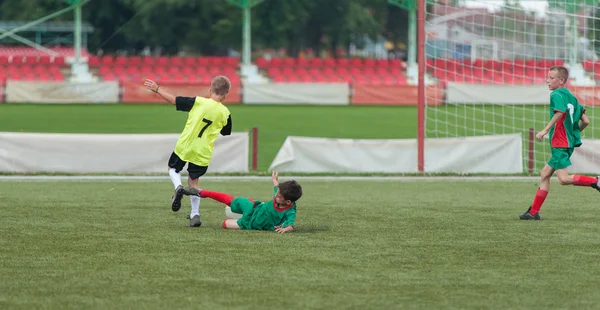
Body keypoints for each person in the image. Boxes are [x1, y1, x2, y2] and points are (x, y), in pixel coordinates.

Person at [143, 76, 233, 227]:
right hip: (203, 152)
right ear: (226, 94)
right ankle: (195, 214)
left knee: (172, 168)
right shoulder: (225, 113)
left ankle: (178, 186)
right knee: (194, 181)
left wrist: (157, 89)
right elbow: (226, 132)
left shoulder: (198, 102)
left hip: (185, 146)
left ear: (210, 90)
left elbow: (174, 100)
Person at [520, 66, 599, 220]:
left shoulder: (556, 94)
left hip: (559, 143)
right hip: (567, 143)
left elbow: (560, 112)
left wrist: (545, 130)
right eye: (548, 77)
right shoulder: (572, 97)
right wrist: (573, 133)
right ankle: (533, 212)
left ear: (561, 80)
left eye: (551, 78)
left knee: (563, 179)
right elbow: (586, 121)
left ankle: (596, 181)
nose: (547, 80)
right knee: (545, 174)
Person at [178, 171, 302, 233]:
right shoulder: (280, 193)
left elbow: (291, 225)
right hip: (253, 207)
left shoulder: (290, 211)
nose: (276, 195)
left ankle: (234, 215)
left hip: (250, 223)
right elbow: (276, 187)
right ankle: (201, 192)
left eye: (279, 196)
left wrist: (285, 229)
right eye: (277, 192)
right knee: (232, 202)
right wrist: (275, 180)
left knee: (224, 224)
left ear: (288, 201)